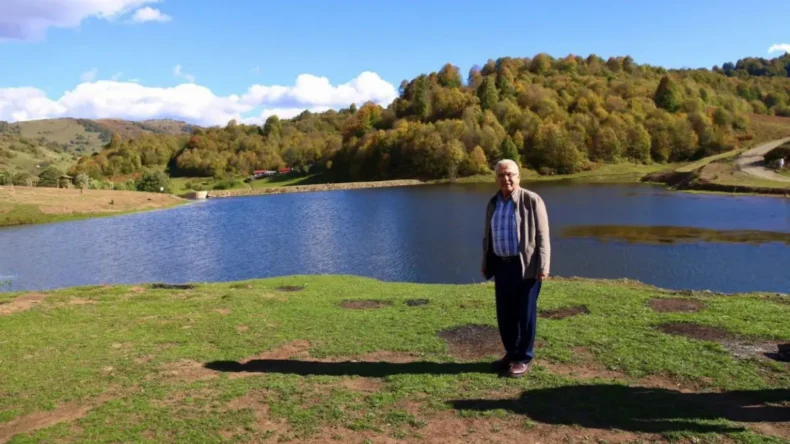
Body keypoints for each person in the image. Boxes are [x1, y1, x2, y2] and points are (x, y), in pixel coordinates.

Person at [481, 159, 550, 378]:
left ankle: (524, 357)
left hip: (526, 267)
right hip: (501, 267)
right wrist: (486, 262)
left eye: (510, 174)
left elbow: (542, 236)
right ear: (496, 179)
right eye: (501, 175)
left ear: (519, 176)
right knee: (505, 314)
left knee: (525, 314)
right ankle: (511, 354)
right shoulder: (493, 202)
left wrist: (543, 265)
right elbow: (488, 236)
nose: (506, 179)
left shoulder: (531, 200)